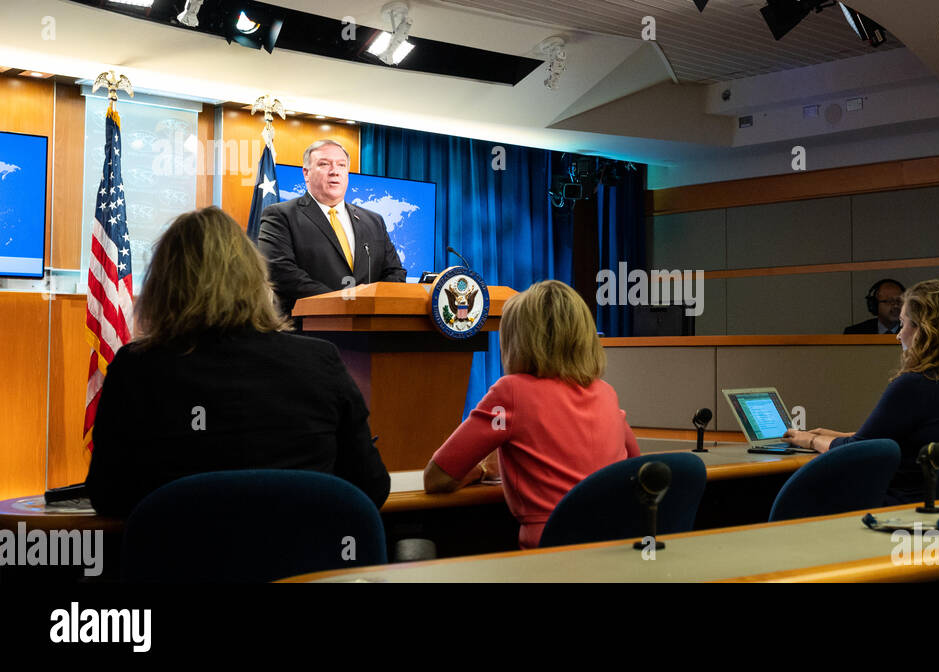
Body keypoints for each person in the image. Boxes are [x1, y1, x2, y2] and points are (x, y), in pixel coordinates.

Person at [85, 207, 391, 517]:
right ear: (257, 278)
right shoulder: (320, 360)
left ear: (161, 286)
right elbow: (370, 487)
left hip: (180, 561)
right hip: (308, 560)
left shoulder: (136, 369)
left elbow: (109, 495)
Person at [423, 280, 640, 549]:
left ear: (518, 340)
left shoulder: (511, 392)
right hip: (615, 549)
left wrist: (480, 471)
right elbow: (636, 466)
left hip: (549, 557)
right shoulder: (607, 393)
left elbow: (437, 477)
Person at [787, 279, 939, 502]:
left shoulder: (916, 383)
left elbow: (859, 451)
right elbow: (897, 437)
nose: (898, 335)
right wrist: (834, 435)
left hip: (905, 505)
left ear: (924, 331)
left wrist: (808, 440)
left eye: (903, 324)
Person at [257, 139, 406, 319]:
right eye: (324, 164)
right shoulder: (281, 215)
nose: (335, 171)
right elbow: (280, 271)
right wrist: (338, 303)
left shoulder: (373, 221)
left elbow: (395, 272)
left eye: (341, 165)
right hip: (309, 330)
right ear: (306, 173)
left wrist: (370, 303)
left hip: (368, 330)